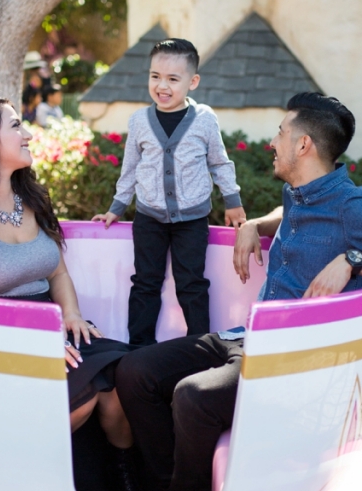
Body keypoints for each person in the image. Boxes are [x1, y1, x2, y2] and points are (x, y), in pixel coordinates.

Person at [115, 91, 362, 491]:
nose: (273, 141)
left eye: (280, 133)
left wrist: (354, 260)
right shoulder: (300, 191)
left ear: (304, 145)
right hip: (248, 338)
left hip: (290, 360)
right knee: (134, 372)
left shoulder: (353, 205)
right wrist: (255, 224)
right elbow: (289, 213)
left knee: (193, 398)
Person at [0, 94, 149, 491]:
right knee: (81, 398)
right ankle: (25, 490)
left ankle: (125, 478)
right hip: (0, 344)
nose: (28, 134)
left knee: (125, 379)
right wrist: (31, 342)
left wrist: (71, 314)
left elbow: (58, 273)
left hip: (54, 327)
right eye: (15, 126)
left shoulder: (31, 201)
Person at [93, 38, 247, 347]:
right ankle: (138, 349)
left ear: (193, 82)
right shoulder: (138, 121)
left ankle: (199, 347)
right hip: (148, 218)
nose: (162, 86)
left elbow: (219, 162)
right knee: (145, 283)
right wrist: (117, 207)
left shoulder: (204, 119)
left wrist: (232, 201)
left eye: (173, 79)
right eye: (155, 76)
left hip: (192, 220)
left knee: (191, 284)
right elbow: (131, 167)